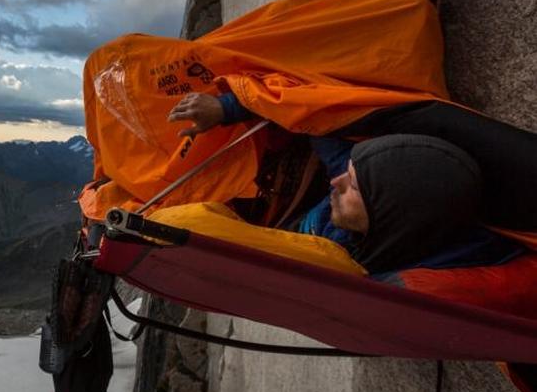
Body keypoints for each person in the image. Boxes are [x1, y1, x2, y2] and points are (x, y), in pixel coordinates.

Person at [167, 91, 524, 274]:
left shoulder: (382, 269)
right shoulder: (365, 185)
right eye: (349, 174)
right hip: (278, 219)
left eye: (352, 186)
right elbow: (311, 113)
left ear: (392, 216)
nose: (335, 181)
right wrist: (227, 108)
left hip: (273, 236)